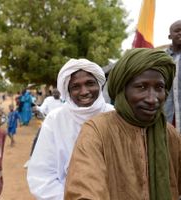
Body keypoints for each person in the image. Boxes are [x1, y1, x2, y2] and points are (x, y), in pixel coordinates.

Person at [64, 48, 181, 200]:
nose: (152, 99)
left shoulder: (169, 134)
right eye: (141, 87)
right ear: (122, 90)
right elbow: (83, 192)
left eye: (159, 87)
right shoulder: (97, 131)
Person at [27, 58, 114, 199]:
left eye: (90, 83)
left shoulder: (114, 115)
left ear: (99, 84)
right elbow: (42, 176)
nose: (84, 91)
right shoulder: (55, 120)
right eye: (75, 87)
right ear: (68, 91)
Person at [164, 20, 181, 133]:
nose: (180, 33)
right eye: (177, 31)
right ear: (170, 36)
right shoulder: (162, 58)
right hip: (168, 115)